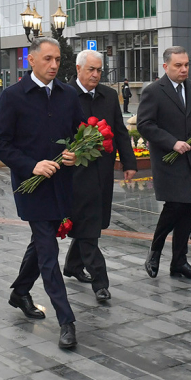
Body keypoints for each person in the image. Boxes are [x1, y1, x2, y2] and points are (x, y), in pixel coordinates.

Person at [0, 37, 82, 349]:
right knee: (48, 251)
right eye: (47, 59)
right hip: (31, 187)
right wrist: (32, 166)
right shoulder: (13, 96)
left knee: (41, 242)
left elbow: (78, 135)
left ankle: (20, 292)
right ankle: (66, 320)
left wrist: (75, 153)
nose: (54, 65)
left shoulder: (68, 95)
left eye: (57, 59)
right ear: (31, 60)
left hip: (62, 183)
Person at [64, 50, 137, 302]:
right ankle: (100, 282)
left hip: (103, 171)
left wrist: (129, 162)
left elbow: (119, 131)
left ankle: (73, 265)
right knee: (88, 224)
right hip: (75, 172)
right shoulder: (65, 95)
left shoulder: (108, 95)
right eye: (91, 70)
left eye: (99, 70)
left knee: (93, 220)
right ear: (78, 69)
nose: (95, 75)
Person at [137, 46, 191, 281]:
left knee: (187, 210)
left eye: (186, 65)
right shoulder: (154, 91)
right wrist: (172, 142)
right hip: (168, 161)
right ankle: (155, 251)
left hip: (190, 159)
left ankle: (179, 262)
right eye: (178, 65)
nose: (184, 69)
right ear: (165, 66)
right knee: (174, 207)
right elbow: (145, 124)